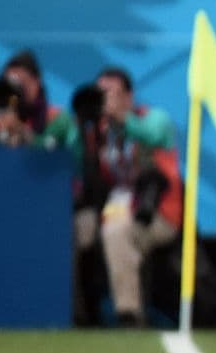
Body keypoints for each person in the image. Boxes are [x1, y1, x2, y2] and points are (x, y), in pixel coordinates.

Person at [73, 67, 182, 327]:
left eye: (111, 93)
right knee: (73, 231)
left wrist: (122, 118)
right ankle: (77, 314)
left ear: (128, 96)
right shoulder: (98, 132)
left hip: (156, 214)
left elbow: (152, 135)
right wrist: (81, 126)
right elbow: (76, 164)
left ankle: (129, 315)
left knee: (117, 232)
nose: (104, 100)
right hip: (110, 209)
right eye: (100, 94)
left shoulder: (153, 118)